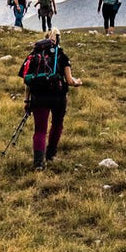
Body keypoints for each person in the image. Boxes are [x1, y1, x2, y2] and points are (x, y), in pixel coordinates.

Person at [21, 28, 82, 170]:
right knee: (57, 124)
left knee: (40, 130)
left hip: (38, 97)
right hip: (58, 97)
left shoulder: (34, 56)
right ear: (58, 40)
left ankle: (38, 163)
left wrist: (27, 100)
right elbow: (69, 81)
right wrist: (78, 82)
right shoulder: (61, 56)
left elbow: (27, 81)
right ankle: (51, 154)